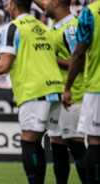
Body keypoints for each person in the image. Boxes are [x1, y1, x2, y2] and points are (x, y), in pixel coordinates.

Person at [0, 0, 64, 183]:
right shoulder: (41, 26)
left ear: (11, 5)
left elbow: (4, 65)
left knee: (28, 141)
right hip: (56, 88)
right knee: (43, 139)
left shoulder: (12, 28)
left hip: (35, 90)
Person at [33, 0, 87, 183]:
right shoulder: (57, 25)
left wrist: (50, 58)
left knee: (75, 142)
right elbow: (46, 7)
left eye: (46, 1)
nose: (43, 4)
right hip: (58, 95)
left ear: (55, 2)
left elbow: (80, 63)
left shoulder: (71, 28)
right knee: (56, 143)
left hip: (73, 95)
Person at [62, 1, 100, 183]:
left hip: (97, 87)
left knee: (95, 142)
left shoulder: (90, 13)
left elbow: (78, 54)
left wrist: (67, 87)